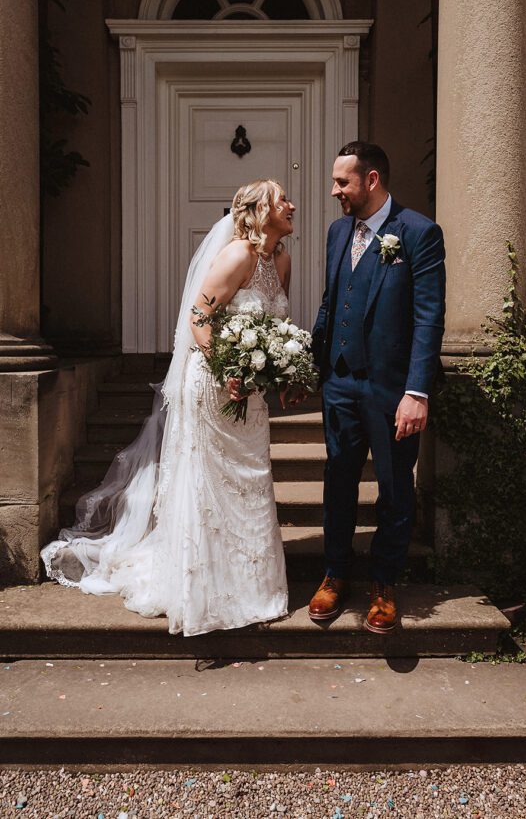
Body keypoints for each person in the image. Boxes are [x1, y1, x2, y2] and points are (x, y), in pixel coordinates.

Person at [41, 180, 296, 637]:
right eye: (282, 200)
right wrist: (227, 368)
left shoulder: (280, 260)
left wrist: (276, 369)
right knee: (211, 484)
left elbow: (275, 325)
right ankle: (203, 586)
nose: (291, 206)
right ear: (260, 212)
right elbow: (200, 317)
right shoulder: (237, 255)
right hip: (215, 383)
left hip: (248, 393)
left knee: (251, 481)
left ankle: (252, 586)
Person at [310, 142, 446, 633]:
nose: (334, 191)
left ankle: (385, 582)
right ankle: (335, 573)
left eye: (342, 182)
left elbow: (429, 318)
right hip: (340, 383)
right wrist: (312, 368)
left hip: (392, 390)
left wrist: (418, 391)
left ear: (371, 180)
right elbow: (332, 302)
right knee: (338, 482)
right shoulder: (336, 232)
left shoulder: (418, 233)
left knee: (393, 489)